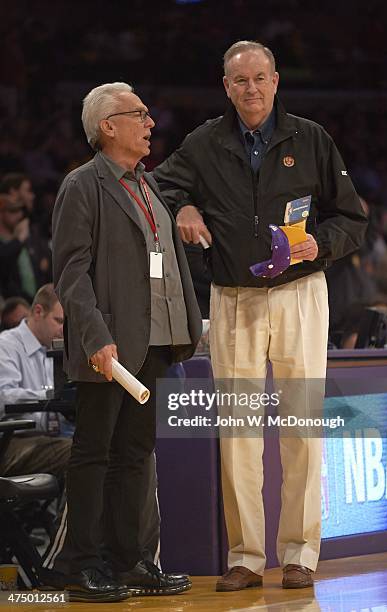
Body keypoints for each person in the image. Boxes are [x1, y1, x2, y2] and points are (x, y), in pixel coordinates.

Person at [154, 41, 367, 591]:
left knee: (300, 426)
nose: (251, 88)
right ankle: (246, 557)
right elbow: (159, 187)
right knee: (239, 431)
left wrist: (316, 245)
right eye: (239, 80)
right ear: (225, 86)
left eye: (260, 78)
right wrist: (185, 206)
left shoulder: (310, 137)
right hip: (233, 295)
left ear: (276, 82)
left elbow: (352, 219)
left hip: (300, 292)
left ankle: (300, 554)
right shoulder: (204, 141)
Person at [41, 82, 202, 603]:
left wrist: (184, 327)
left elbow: (161, 264)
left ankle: (129, 561)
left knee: (136, 454)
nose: (151, 124)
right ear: (107, 126)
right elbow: (71, 272)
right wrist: (95, 336)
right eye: (140, 115)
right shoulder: (83, 185)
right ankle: (82, 566)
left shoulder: (148, 185)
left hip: (155, 339)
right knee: (95, 454)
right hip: (107, 345)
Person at [0, 284, 71, 478]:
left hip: (51, 437)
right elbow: (3, 398)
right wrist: (52, 397)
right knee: (81, 455)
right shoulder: (6, 346)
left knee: (102, 448)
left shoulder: (55, 349)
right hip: (11, 443)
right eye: (58, 321)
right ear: (38, 311)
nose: (63, 330)